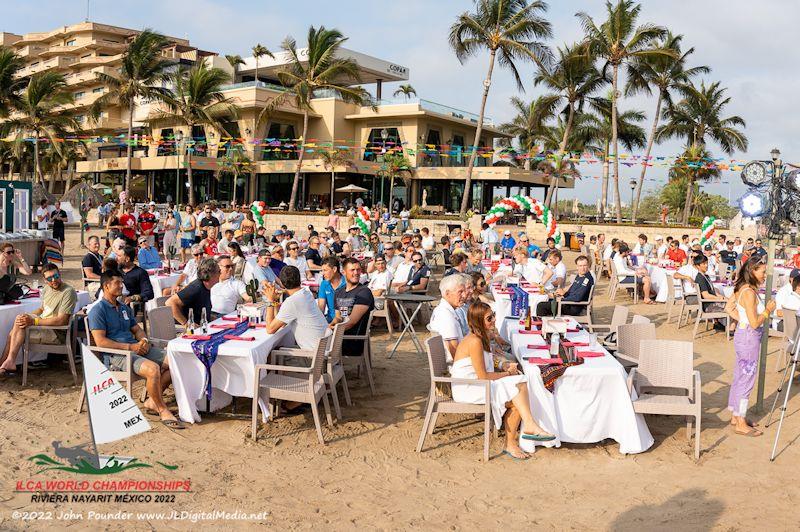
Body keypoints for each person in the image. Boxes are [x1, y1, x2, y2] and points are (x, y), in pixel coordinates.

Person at [451, 301, 555, 460]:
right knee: (518, 387)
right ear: (478, 321)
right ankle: (523, 430)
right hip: (469, 388)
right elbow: (483, 376)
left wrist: (504, 365)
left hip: (477, 384)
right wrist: (506, 374)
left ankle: (521, 432)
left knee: (518, 391)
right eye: (489, 318)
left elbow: (488, 361)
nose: (493, 320)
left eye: (493, 315)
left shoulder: (481, 337)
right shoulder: (474, 341)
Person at [88, 270, 182, 428]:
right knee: (152, 370)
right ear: (106, 286)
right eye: (117, 283)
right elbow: (101, 342)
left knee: (175, 361)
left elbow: (136, 330)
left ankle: (152, 401)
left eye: (121, 282)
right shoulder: (98, 311)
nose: (121, 286)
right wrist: (131, 347)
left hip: (134, 348)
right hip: (116, 356)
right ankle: (162, 409)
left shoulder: (124, 308)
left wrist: (143, 340)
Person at [725, 257, 776, 437]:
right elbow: (755, 323)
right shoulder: (748, 292)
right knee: (746, 378)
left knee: (740, 376)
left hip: (743, 335)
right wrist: (767, 310)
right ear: (753, 271)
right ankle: (740, 421)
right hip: (749, 338)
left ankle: (736, 415)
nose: (764, 276)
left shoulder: (743, 289)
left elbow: (728, 308)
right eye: (762, 272)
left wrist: (743, 321)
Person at [0, 264, 77, 377]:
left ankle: (8, 362)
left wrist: (33, 322)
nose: (54, 280)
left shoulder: (68, 291)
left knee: (17, 330)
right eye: (50, 278)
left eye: (56, 276)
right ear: (45, 280)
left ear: (60, 275)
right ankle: (5, 364)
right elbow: (42, 309)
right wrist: (28, 316)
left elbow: (62, 321)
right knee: (19, 321)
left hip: (56, 333)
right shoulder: (46, 289)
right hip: (43, 327)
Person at [263, 266, 329, 351]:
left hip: (312, 357)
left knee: (270, 355)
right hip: (322, 352)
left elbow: (270, 329)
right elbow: (282, 323)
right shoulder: (306, 293)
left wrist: (270, 300)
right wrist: (274, 301)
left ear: (282, 283)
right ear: (299, 279)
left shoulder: (292, 302)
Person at [331, 257, 375, 354]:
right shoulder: (339, 292)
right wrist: (330, 326)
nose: (356, 273)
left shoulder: (364, 292)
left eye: (358, 270)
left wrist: (333, 331)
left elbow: (352, 322)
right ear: (344, 272)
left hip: (352, 340)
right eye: (352, 270)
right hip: (340, 337)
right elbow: (338, 317)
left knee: (317, 347)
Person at [167, 258, 221, 325]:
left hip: (203, 325)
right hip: (195, 330)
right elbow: (170, 303)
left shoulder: (207, 287)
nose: (220, 274)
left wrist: (210, 317)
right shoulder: (196, 288)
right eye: (219, 271)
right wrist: (186, 324)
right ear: (211, 274)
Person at [428, 273, 468, 361]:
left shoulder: (442, 309)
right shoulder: (446, 316)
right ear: (447, 293)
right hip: (457, 366)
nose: (464, 295)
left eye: (464, 291)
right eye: (460, 292)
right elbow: (454, 350)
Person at [693, 254, 727, 331]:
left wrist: (720, 296)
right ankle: (731, 328)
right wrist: (719, 298)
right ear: (698, 266)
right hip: (708, 306)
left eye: (707, 263)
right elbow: (706, 295)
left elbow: (712, 290)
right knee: (731, 307)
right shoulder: (700, 278)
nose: (706, 265)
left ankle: (719, 324)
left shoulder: (705, 276)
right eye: (704, 264)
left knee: (731, 303)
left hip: (710, 304)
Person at [317, 256, 344, 322]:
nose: (323, 273)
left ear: (334, 269)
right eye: (322, 270)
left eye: (325, 270)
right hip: (329, 321)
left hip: (345, 322)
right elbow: (321, 308)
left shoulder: (347, 283)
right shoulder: (324, 283)